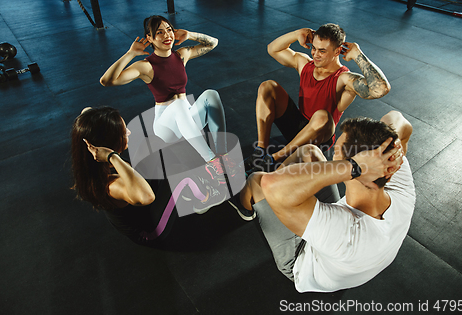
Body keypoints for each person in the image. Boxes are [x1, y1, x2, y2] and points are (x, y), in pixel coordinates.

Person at [229, 111, 414, 292]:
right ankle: (281, 195)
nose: (333, 156)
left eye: (337, 156)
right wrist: (387, 143)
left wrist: (356, 165)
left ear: (352, 169)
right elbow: (396, 117)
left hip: (303, 259)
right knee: (309, 152)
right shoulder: (399, 184)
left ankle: (243, 207)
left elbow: (270, 185)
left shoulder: (346, 234)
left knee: (257, 181)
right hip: (342, 249)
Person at [245, 23, 391, 173]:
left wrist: (357, 55)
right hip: (297, 127)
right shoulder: (305, 63)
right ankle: (260, 151)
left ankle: (274, 158)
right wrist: (296, 33)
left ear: (337, 51)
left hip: (319, 138)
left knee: (322, 116)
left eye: (322, 51)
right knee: (267, 86)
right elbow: (272, 49)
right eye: (314, 48)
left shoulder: (343, 79)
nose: (315, 54)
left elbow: (380, 89)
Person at [100, 15, 229, 183]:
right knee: (177, 106)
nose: (167, 36)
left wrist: (188, 34)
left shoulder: (181, 55)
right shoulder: (146, 66)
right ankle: (211, 162)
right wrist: (130, 54)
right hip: (166, 127)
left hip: (187, 120)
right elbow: (106, 81)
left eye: (169, 30)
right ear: (150, 38)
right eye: (160, 32)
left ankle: (223, 157)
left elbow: (213, 43)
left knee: (211, 94)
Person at [71, 106, 225, 246]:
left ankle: (188, 185)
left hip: (138, 204)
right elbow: (147, 197)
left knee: (151, 142)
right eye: (124, 132)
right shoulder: (112, 185)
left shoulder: (93, 164)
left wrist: (92, 117)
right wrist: (113, 156)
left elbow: (86, 112)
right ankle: (206, 197)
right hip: (149, 231)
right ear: (109, 145)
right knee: (180, 174)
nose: (129, 132)